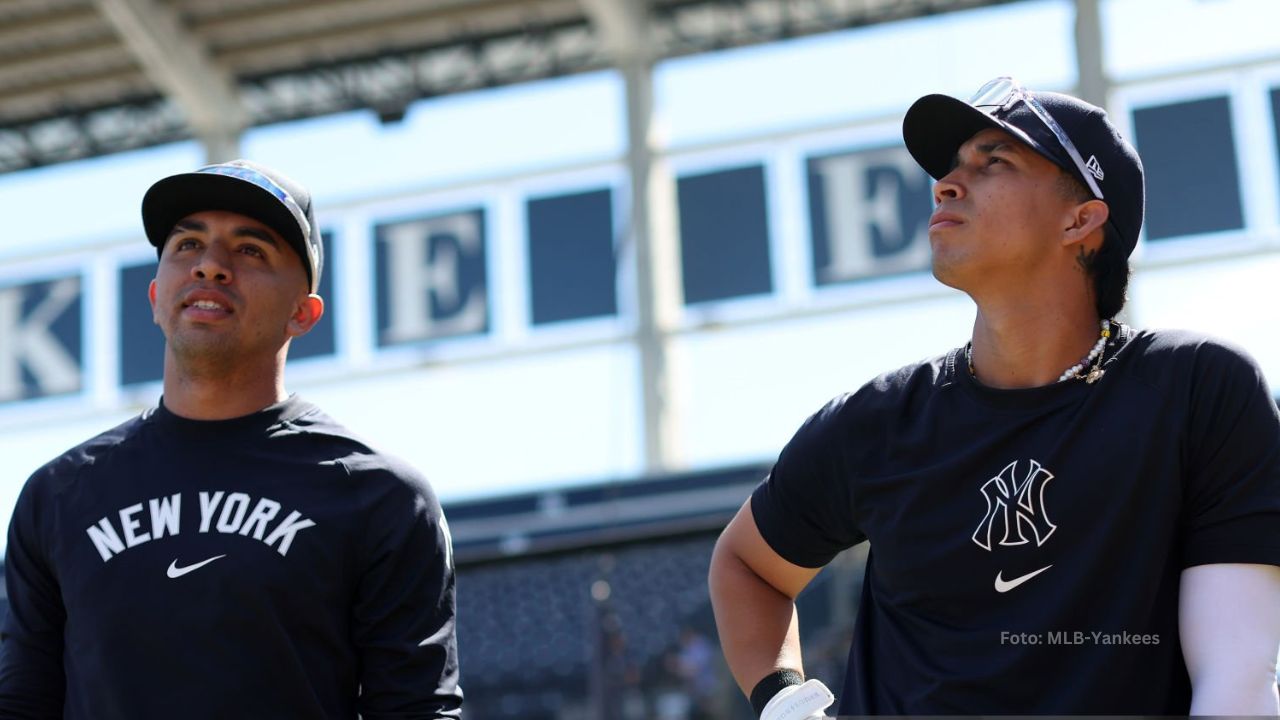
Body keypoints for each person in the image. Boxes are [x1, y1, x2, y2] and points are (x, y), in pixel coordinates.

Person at [709, 77, 1280, 717]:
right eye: (951, 168)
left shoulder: (1197, 390)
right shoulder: (876, 421)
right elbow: (747, 565)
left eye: (994, 161)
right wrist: (786, 705)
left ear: (1082, 219)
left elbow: (1237, 680)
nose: (946, 184)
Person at [0, 160, 463, 718]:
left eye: (250, 250)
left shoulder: (380, 497)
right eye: (188, 244)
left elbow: (416, 710)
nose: (211, 267)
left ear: (303, 313)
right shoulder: (58, 495)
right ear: (154, 295)